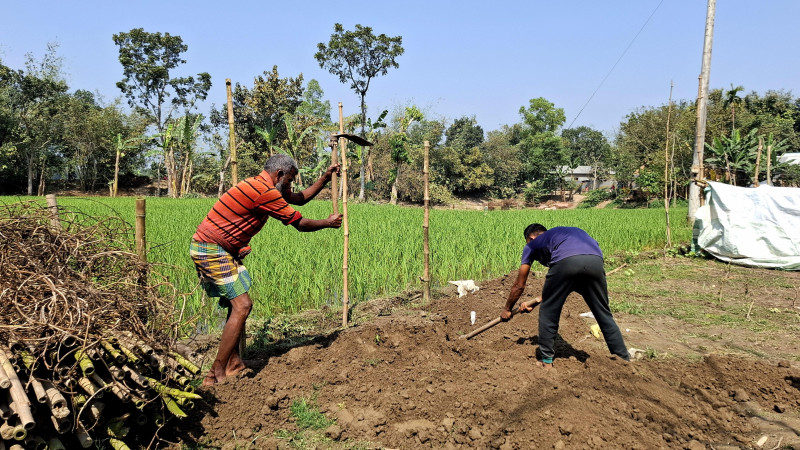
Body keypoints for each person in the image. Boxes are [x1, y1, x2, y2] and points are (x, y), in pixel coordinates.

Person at [190, 154, 342, 385]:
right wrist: (327, 223)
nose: (290, 186)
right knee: (242, 305)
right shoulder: (264, 192)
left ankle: (233, 363)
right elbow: (300, 224)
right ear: (279, 175)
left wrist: (325, 178)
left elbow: (299, 199)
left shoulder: (261, 184)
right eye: (289, 180)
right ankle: (214, 375)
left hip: (218, 249)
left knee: (235, 305)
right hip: (211, 249)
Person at [501, 223, 629, 369]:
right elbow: (557, 287)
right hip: (595, 261)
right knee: (603, 314)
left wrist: (507, 309)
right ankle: (623, 361)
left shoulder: (532, 245)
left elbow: (519, 285)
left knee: (549, 312)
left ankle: (546, 361)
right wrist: (537, 300)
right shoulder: (561, 236)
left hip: (566, 263)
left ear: (531, 238)